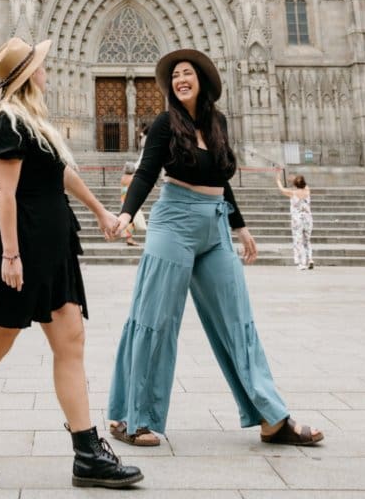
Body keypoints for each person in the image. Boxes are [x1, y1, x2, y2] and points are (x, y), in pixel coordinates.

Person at [0, 37, 142, 489]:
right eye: (41, 66)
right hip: (21, 248)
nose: (47, 70)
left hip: (54, 246)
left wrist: (100, 210)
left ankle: (88, 452)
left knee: (71, 341)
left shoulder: (36, 123)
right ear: (27, 76)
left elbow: (60, 173)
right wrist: (10, 255)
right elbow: (5, 192)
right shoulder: (6, 120)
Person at [107, 48, 324, 449]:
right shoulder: (163, 124)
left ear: (202, 80)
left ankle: (272, 417)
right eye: (174, 76)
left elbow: (222, 180)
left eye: (186, 73)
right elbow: (146, 172)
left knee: (238, 320)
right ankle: (132, 417)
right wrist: (125, 215)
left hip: (215, 222)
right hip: (173, 221)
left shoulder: (218, 123)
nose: (179, 79)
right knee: (156, 319)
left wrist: (241, 229)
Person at [276, 169, 314, 270]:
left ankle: (302, 263)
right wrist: (295, 180)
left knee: (298, 241)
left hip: (298, 220)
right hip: (308, 219)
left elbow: (282, 189)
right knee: (307, 240)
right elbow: (303, 184)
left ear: (295, 184)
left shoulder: (293, 193)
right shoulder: (307, 190)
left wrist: (278, 180)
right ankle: (310, 259)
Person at [119, 162, 145, 246]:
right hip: (131, 201)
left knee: (130, 221)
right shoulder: (133, 178)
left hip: (124, 201)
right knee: (133, 221)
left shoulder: (123, 178)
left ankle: (129, 238)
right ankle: (129, 238)